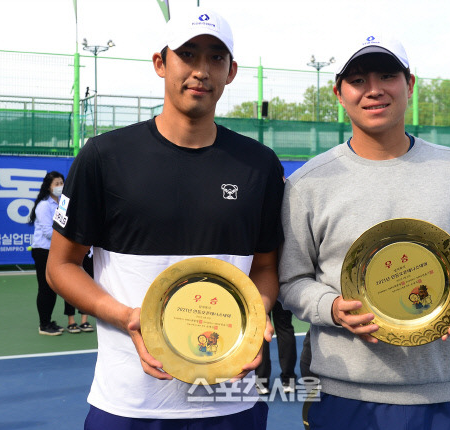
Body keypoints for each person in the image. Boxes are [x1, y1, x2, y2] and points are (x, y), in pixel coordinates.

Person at [46, 7, 284, 429]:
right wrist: (124, 315)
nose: (201, 70)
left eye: (215, 58)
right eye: (188, 54)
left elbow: (265, 266)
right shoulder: (104, 157)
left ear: (231, 72)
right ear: (161, 63)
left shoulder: (259, 165)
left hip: (231, 405)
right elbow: (61, 266)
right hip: (129, 405)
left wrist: (256, 314)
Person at [277, 35, 450, 429]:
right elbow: (291, 279)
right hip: (341, 394)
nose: (374, 90)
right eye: (358, 80)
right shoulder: (307, 183)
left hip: (444, 391)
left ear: (410, 84)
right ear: (339, 93)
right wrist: (332, 308)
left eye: (387, 75)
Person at [29, 171, 93, 336]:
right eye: (56, 183)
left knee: (56, 288)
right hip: (43, 251)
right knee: (46, 288)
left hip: (57, 250)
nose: (60, 186)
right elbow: (48, 232)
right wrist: (71, 236)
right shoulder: (44, 205)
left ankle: (49, 322)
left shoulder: (63, 204)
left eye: (61, 183)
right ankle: (44, 324)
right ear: (48, 186)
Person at [255, 300, 298, 395]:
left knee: (262, 329)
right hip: (281, 288)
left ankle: (261, 382)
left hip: (261, 290)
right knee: (284, 326)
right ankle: (289, 380)